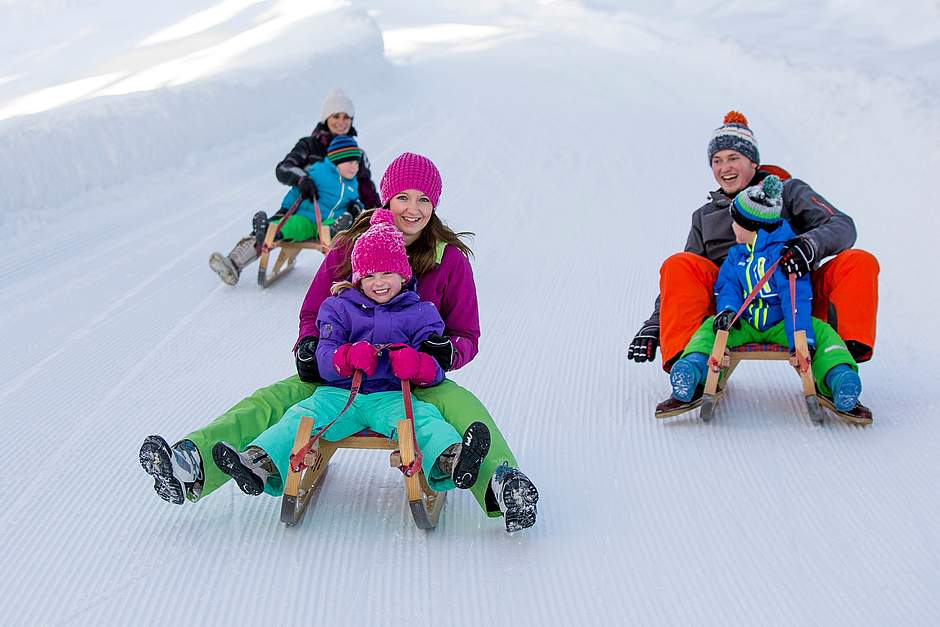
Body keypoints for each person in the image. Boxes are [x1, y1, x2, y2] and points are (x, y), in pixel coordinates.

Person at [140, 152, 540, 532]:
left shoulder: (448, 259)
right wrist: (311, 347)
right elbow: (314, 311)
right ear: (387, 196)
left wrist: (447, 351)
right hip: (344, 372)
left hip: (412, 379)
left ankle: (503, 485)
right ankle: (192, 462)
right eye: (402, 197)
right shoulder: (352, 245)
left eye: (423, 200)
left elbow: (466, 334)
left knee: (462, 407)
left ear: (434, 204)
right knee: (271, 401)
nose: (412, 209)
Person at [211, 209, 491, 498]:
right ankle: (259, 462)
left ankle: (453, 460)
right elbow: (324, 356)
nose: (378, 282)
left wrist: (418, 364)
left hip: (393, 397)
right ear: (357, 277)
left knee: (424, 420)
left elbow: (435, 368)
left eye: (387, 273)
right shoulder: (338, 308)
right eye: (369, 275)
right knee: (299, 416)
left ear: (403, 274)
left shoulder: (420, 312)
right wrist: (345, 358)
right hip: (339, 395)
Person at [627, 111, 879, 396]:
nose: (725, 167)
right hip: (732, 311)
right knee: (680, 263)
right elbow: (681, 280)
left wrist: (808, 245)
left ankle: (837, 367)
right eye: (717, 160)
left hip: (795, 301)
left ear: (753, 162)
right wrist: (654, 324)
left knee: (859, 262)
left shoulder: (789, 192)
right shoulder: (705, 217)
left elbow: (842, 226)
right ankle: (691, 370)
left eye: (733, 158)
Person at [667, 175, 863, 411]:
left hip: (781, 323)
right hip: (745, 322)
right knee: (709, 330)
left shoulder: (785, 258)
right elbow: (727, 286)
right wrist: (728, 311)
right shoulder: (737, 255)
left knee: (823, 334)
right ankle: (692, 369)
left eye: (735, 223)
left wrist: (801, 341)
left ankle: (840, 378)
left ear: (753, 228)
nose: (731, 227)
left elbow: (795, 300)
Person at [207, 88, 380, 285]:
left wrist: (380, 216)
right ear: (326, 118)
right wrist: (302, 179)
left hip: (336, 213)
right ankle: (235, 262)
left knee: (352, 223)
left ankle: (359, 268)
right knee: (276, 226)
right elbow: (284, 168)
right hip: (302, 207)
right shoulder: (309, 145)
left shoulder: (353, 153)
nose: (341, 122)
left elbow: (365, 187)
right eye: (336, 116)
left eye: (346, 117)